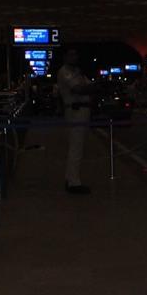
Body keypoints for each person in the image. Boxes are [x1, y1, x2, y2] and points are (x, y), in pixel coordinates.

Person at [57, 48, 96, 194]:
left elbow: (88, 86)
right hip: (75, 110)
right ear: (65, 57)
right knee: (76, 147)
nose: (74, 57)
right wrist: (90, 88)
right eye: (71, 54)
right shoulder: (64, 71)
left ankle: (71, 179)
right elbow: (78, 89)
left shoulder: (78, 71)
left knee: (78, 147)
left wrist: (89, 87)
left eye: (76, 54)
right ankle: (73, 182)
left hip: (82, 110)